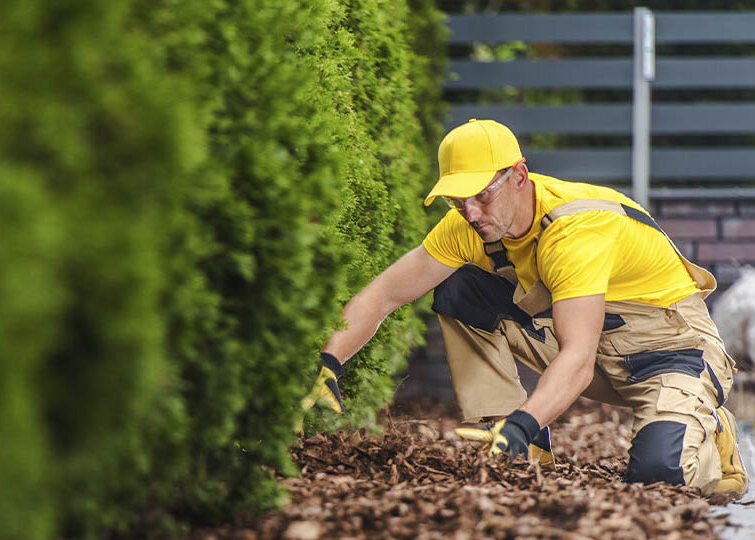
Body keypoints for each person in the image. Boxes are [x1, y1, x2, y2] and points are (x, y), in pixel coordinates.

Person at [301, 118, 748, 498]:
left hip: (671, 357)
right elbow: (385, 294)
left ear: (518, 175)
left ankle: (711, 433)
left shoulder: (577, 229)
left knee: (658, 478)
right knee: (460, 289)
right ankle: (509, 441)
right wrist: (328, 360)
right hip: (594, 351)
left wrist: (525, 421)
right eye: (458, 200)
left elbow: (577, 359)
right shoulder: (467, 226)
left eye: (480, 196)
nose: (470, 213)